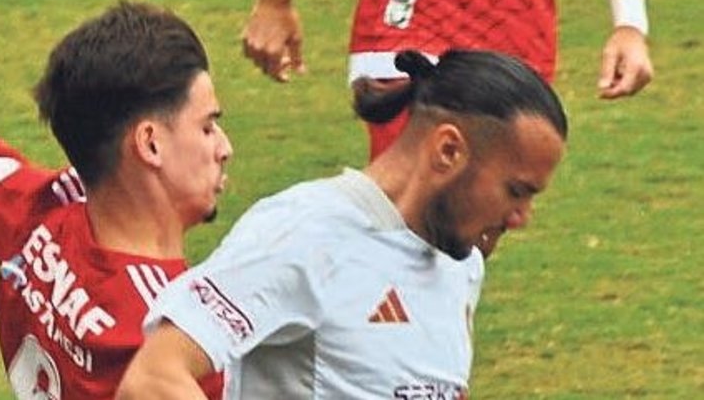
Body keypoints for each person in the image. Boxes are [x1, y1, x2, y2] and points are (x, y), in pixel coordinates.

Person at [117, 48, 569, 399]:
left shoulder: (461, 265)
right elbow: (154, 379)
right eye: (516, 190)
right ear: (448, 151)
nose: (522, 217)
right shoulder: (305, 232)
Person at [0, 0, 231, 399]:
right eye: (207, 127)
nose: (224, 147)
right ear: (150, 144)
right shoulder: (171, 339)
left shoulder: (35, 218)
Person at [241, 0, 652, 256]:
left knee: (472, 239)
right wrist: (275, 2)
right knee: (412, 226)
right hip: (414, 17)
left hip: (518, 26)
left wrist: (630, 22)